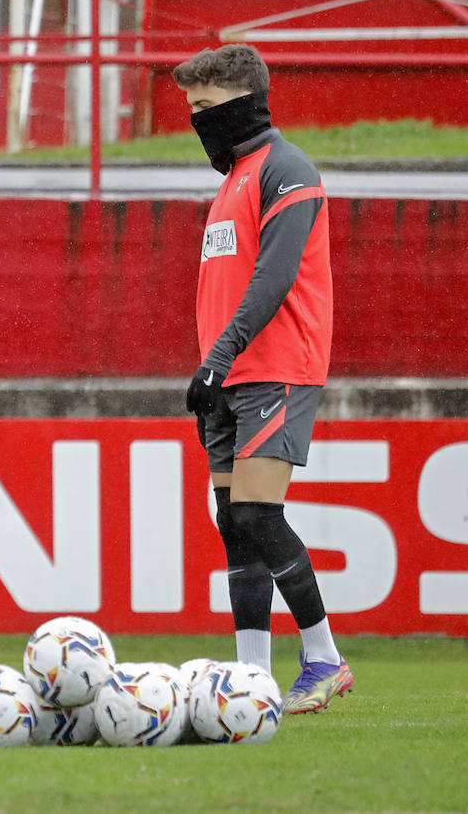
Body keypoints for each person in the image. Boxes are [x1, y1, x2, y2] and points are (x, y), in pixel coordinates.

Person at [174, 44, 353, 715]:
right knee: (233, 524)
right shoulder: (231, 181)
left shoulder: (286, 170)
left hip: (276, 368)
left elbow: (273, 279)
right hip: (228, 373)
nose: (198, 123)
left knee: (257, 513)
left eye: (205, 109)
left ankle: (326, 660)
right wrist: (214, 364)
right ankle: (252, 678)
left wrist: (219, 355)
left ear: (245, 101)